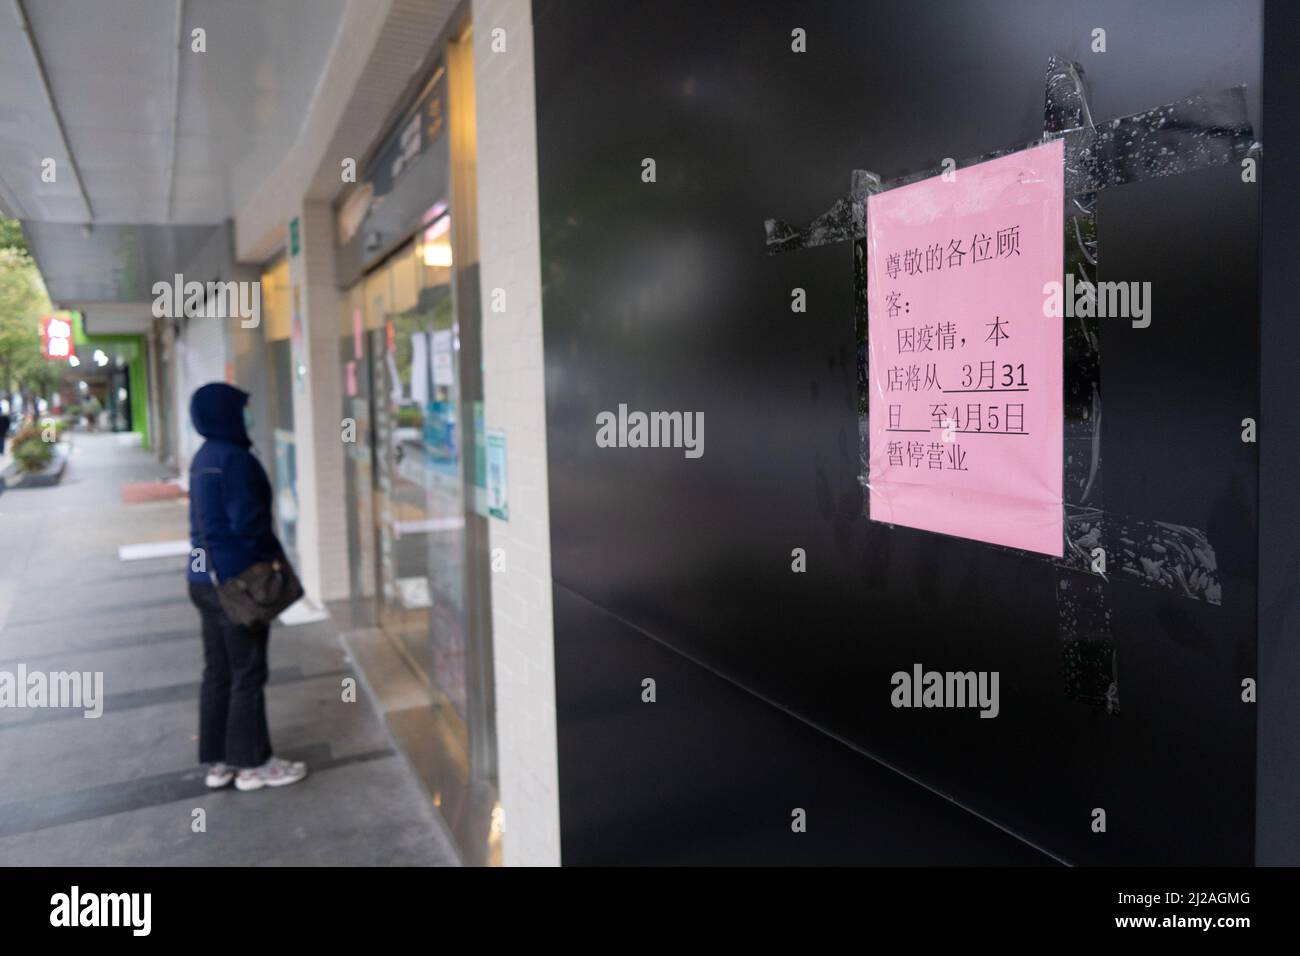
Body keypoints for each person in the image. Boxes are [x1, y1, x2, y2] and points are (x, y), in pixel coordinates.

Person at [187, 382, 307, 792]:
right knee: (247, 672)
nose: (248, 414)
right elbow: (249, 523)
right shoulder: (234, 459)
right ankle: (253, 764)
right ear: (226, 413)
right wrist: (274, 557)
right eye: (243, 408)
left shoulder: (203, 458)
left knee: (218, 672)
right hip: (237, 584)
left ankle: (220, 762)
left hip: (203, 579)